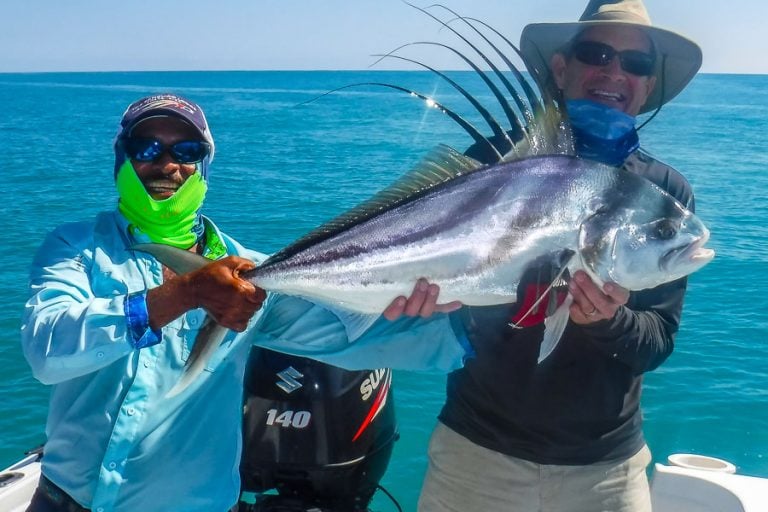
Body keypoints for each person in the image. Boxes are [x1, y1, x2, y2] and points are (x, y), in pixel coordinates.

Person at [21, 93, 467, 512]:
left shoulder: (251, 274)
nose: (168, 164)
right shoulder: (74, 247)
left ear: (205, 165)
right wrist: (184, 294)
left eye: (188, 151)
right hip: (62, 500)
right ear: (123, 157)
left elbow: (348, 336)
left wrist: (455, 306)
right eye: (147, 147)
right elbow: (48, 349)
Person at [418, 1, 703, 511]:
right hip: (475, 460)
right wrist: (415, 304)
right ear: (560, 66)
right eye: (597, 52)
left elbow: (657, 341)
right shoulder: (492, 163)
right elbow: (432, 278)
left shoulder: (663, 194)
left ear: (648, 84)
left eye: (636, 64)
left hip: (606, 474)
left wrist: (608, 321)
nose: (614, 72)